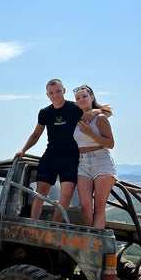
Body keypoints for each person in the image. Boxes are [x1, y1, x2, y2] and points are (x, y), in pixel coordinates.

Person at [14, 79, 111, 222]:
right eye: (51, 93)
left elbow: (105, 114)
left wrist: (97, 110)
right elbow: (36, 135)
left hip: (71, 157)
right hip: (51, 155)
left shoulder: (75, 108)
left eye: (58, 91)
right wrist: (23, 149)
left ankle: (54, 226)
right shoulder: (44, 112)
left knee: (66, 194)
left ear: (64, 91)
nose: (55, 95)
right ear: (47, 95)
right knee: (41, 191)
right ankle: (33, 224)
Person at [73, 84, 117, 228]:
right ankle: (88, 241)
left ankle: (96, 245)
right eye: (78, 98)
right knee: (85, 206)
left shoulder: (100, 118)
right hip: (83, 164)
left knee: (99, 208)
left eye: (84, 96)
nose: (81, 100)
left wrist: (91, 133)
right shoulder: (76, 118)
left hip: (101, 162)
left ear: (92, 97)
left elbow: (110, 144)